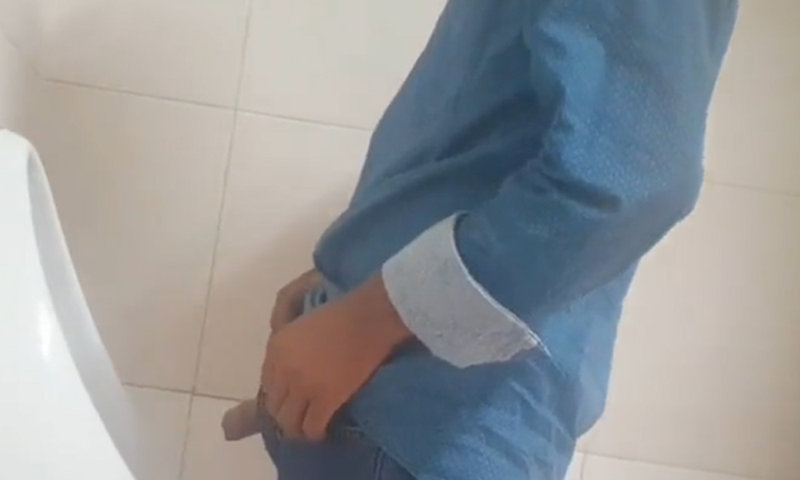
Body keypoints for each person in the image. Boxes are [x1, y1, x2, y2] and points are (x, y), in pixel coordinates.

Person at [258, 1, 738, 479]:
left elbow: (627, 179)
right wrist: (350, 272)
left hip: (429, 426)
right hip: (395, 420)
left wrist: (367, 320)